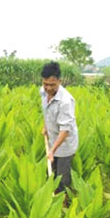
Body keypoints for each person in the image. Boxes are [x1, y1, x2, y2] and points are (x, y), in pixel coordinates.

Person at [40, 61, 78, 194]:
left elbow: (65, 130)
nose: (48, 88)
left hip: (65, 143)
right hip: (52, 138)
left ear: (59, 81)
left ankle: (63, 202)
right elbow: (46, 110)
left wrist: (52, 150)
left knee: (62, 176)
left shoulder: (66, 101)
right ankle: (50, 194)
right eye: (45, 84)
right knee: (51, 170)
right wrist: (46, 126)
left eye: (52, 85)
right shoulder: (43, 92)